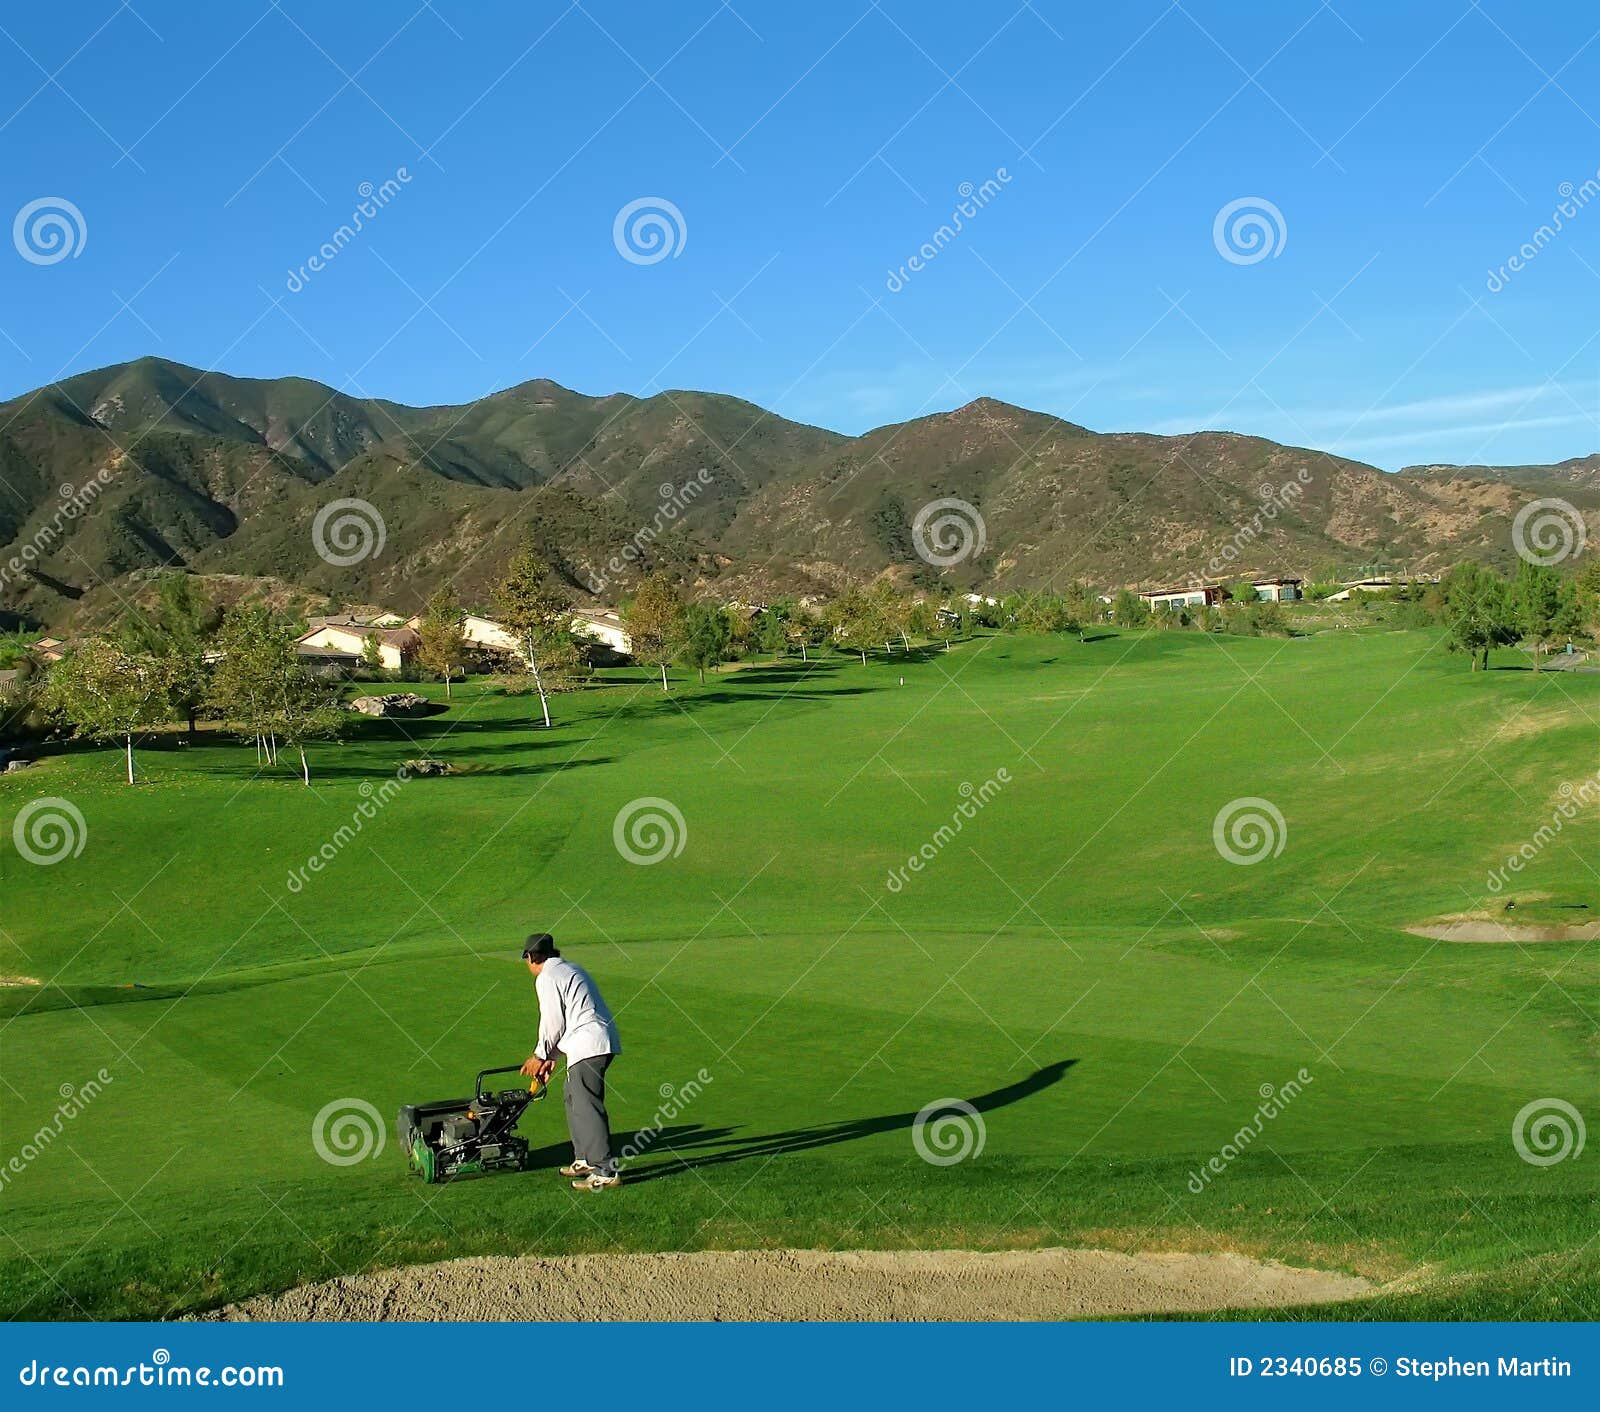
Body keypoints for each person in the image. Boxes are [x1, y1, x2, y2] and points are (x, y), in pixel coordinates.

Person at [519, 933, 623, 1190]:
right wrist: (551, 1058)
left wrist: (539, 1056)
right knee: (572, 1097)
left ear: (531, 957)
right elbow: (570, 1017)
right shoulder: (570, 969)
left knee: (587, 1104)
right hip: (592, 1042)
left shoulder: (547, 977)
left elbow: (553, 1021)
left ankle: (605, 1171)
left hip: (588, 1044)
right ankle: (584, 1159)